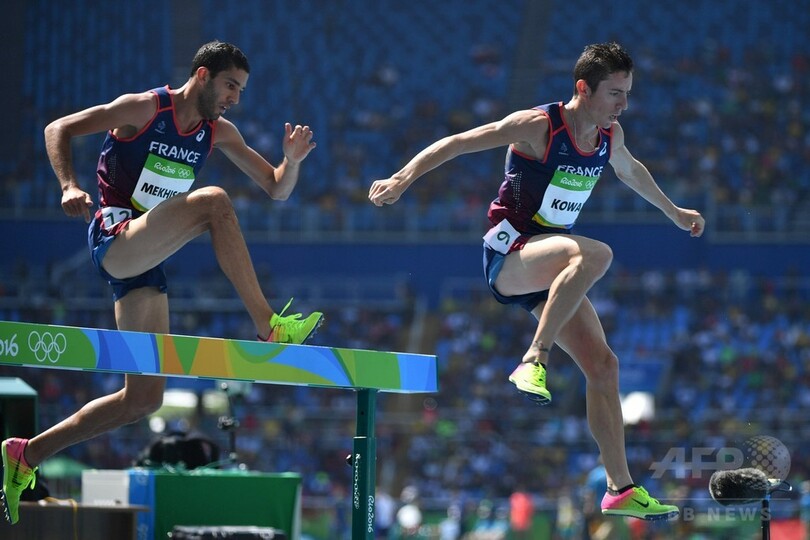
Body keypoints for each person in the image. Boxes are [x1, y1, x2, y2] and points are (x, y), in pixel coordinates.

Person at [369, 42, 703, 520]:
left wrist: (674, 212)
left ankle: (620, 487)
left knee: (604, 366)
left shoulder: (611, 135)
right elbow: (459, 141)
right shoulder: (539, 126)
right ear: (583, 89)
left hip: (552, 267)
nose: (623, 104)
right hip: (508, 253)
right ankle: (533, 357)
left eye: (627, 94)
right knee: (595, 253)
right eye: (614, 93)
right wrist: (402, 178)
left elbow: (631, 171)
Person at [1, 40, 323, 525]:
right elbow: (58, 128)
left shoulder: (217, 131)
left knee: (143, 397)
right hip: (115, 237)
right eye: (231, 85)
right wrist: (68, 184)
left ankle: (25, 453)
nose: (236, 97)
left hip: (145, 258)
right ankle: (268, 326)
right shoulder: (145, 108)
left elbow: (276, 187)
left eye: (241, 89)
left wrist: (292, 161)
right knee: (213, 201)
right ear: (202, 76)